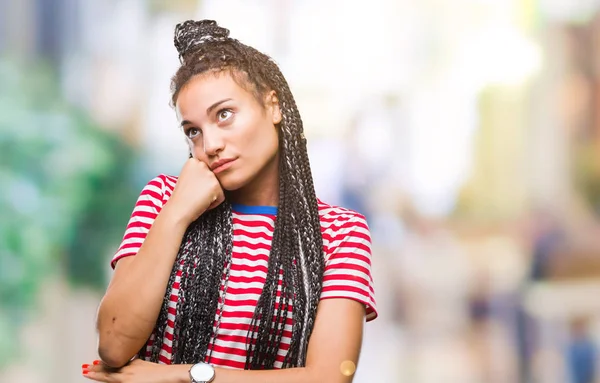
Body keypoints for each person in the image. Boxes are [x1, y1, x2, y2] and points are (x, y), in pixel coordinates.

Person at [81, 19, 377, 383]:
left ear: (273, 106)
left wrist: (183, 375)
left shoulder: (338, 232)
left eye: (224, 115)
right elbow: (113, 343)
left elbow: (331, 377)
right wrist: (177, 213)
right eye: (193, 131)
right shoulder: (162, 199)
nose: (210, 145)